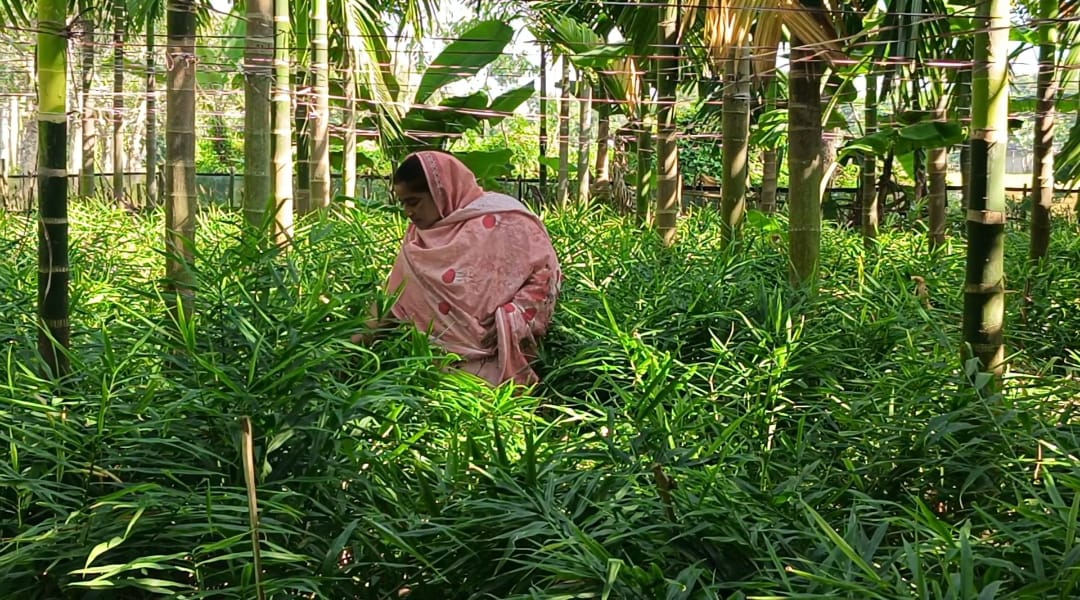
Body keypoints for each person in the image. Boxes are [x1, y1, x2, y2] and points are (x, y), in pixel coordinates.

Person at [352, 151, 562, 387]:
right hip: (436, 373)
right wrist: (347, 352)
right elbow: (393, 299)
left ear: (441, 192)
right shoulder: (417, 242)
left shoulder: (505, 221)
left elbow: (545, 274)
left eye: (414, 202)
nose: (408, 212)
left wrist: (510, 319)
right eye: (403, 203)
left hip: (500, 367)